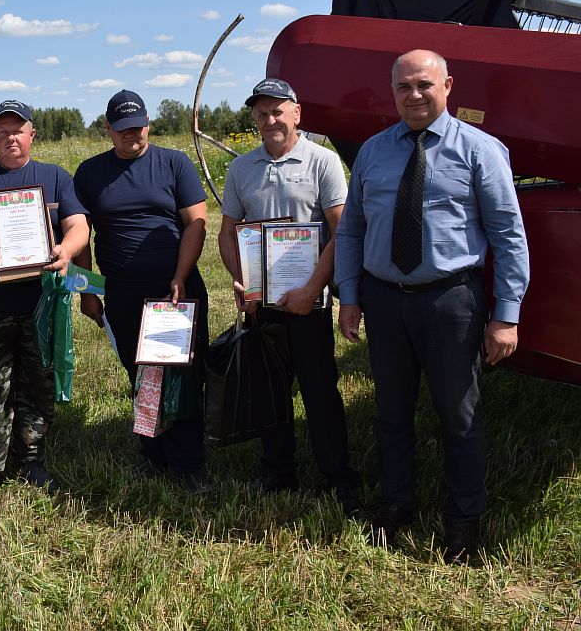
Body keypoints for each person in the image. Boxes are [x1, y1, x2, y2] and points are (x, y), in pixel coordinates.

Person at [335, 49, 529, 564]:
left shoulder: (481, 151)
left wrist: (506, 314)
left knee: (458, 416)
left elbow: (509, 236)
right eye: (403, 86)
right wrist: (349, 296)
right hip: (383, 299)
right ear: (392, 91)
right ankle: (396, 504)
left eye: (424, 84)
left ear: (447, 85)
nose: (414, 95)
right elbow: (353, 228)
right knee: (391, 412)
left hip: (451, 301)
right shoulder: (373, 153)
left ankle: (462, 521)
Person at [217, 79, 359, 511]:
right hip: (263, 303)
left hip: (309, 301)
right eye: (261, 113)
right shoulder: (242, 169)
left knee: (320, 391)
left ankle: (337, 475)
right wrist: (243, 282)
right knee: (269, 391)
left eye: (278, 110)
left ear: (297, 112)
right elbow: (227, 233)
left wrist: (314, 288)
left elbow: (342, 230)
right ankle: (278, 471)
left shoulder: (323, 162)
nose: (270, 119)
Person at [0, 99, 89, 503]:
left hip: (41, 307)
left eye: (18, 130)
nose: (11, 137)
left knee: (37, 384)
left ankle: (32, 460)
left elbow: (78, 225)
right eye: (3, 130)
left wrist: (66, 250)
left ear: (31, 134)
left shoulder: (55, 178)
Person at [73, 90, 213, 495]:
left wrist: (181, 276)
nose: (131, 136)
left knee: (182, 376)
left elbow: (196, 223)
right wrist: (85, 290)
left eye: (137, 127)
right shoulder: (90, 172)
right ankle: (153, 456)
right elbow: (80, 236)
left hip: (174, 291)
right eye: (121, 130)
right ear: (108, 129)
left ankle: (190, 465)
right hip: (124, 294)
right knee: (142, 375)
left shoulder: (173, 163)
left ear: (148, 123)